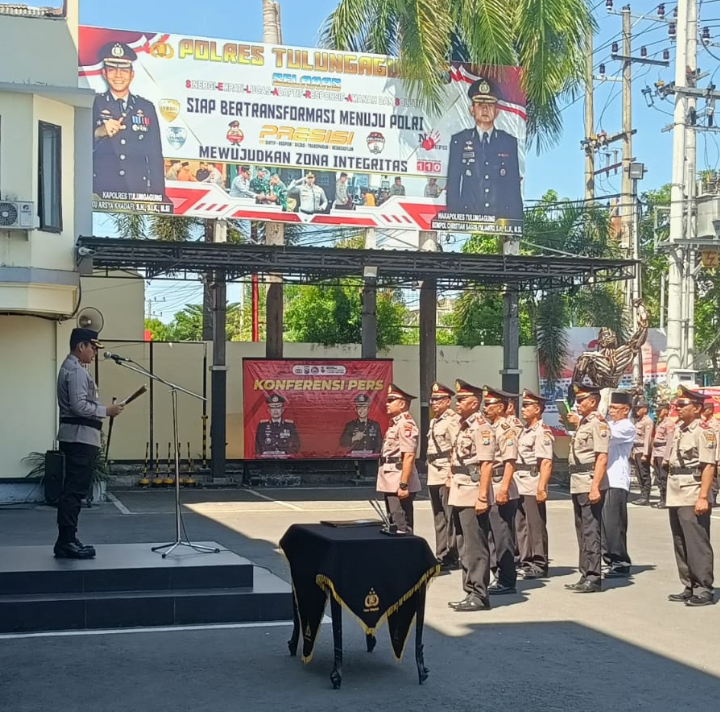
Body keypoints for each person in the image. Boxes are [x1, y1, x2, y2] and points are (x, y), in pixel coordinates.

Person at [55, 329, 124, 559]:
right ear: (81, 346)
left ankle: (69, 538)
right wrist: (106, 410)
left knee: (75, 491)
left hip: (81, 437)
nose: (94, 352)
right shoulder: (75, 371)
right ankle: (66, 541)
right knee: (73, 491)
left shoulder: (75, 369)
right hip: (79, 438)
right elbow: (79, 407)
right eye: (92, 347)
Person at [662, 385, 716, 606]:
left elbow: (708, 466)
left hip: (693, 491)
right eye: (677, 404)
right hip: (676, 489)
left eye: (683, 405)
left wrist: (703, 496)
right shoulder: (679, 430)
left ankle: (704, 588)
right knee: (680, 541)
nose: (678, 408)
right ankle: (689, 585)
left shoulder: (704, 431)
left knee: (696, 542)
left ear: (697, 408)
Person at [92, 42, 165, 199]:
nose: (118, 75)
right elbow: (76, 146)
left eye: (124, 70)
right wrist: (98, 132)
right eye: (112, 69)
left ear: (132, 74)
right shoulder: (93, 104)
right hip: (101, 191)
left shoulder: (146, 108)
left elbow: (155, 155)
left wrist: (159, 197)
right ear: (104, 73)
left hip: (137, 191)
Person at [447, 379, 495, 612]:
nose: (457, 403)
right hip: (459, 490)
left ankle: (479, 593)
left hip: (473, 491)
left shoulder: (481, 427)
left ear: (474, 403)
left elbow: (486, 464)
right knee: (462, 543)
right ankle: (469, 591)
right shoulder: (464, 425)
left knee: (475, 545)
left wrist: (483, 496)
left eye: (462, 399)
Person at [446, 77, 522, 220]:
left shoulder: (509, 142)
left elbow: (513, 186)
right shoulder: (460, 141)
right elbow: (453, 184)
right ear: (472, 110)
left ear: (497, 111)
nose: (485, 109)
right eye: (480, 104)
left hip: (500, 217)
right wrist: (454, 217)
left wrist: (516, 221)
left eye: (490, 104)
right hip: (469, 215)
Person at [565, 382, 609, 593]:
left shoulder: (598, 424)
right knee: (582, 530)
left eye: (581, 400)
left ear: (593, 402)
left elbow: (601, 457)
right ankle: (585, 573)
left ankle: (594, 576)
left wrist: (595, 486)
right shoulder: (584, 424)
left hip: (589, 480)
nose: (577, 404)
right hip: (578, 480)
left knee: (591, 531)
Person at [483, 386, 520, 595]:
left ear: (501, 407)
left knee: (502, 536)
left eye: (489, 404)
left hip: (501, 487)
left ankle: (507, 580)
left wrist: (504, 489)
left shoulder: (506, 430)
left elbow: (509, 462)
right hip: (491, 487)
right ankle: (497, 574)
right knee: (491, 536)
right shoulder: (490, 428)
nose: (485, 407)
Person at [515, 389, 554, 579]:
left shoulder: (542, 431)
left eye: (527, 406)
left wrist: (542, 487)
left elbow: (545, 461)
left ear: (537, 409)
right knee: (521, 524)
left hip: (532, 480)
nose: (523, 409)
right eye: (523, 405)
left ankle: (540, 563)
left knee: (535, 525)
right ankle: (526, 561)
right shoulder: (524, 429)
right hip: (518, 480)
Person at [426, 382, 461, 572]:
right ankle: (441, 553)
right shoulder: (435, 421)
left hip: (446, 471)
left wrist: (451, 474)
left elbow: (456, 448)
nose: (434, 403)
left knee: (450, 517)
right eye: (432, 399)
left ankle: (451, 554)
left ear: (448, 401)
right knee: (439, 516)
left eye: (438, 399)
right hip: (434, 472)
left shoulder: (452, 420)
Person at [377, 383, 420, 534]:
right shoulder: (395, 424)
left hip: (399, 479)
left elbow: (408, 455)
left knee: (402, 526)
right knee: (393, 523)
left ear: (402, 404)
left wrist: (403, 485)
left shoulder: (406, 424)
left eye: (391, 401)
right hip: (390, 478)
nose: (387, 404)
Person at [603, 391, 635, 577]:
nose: (611, 411)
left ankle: (620, 561)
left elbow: (606, 435)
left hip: (616, 479)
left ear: (626, 409)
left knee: (614, 523)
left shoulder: (626, 427)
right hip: (603, 479)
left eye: (615, 408)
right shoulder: (609, 425)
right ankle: (609, 560)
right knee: (604, 524)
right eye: (610, 408)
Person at [652, 401, 674, 509]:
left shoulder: (669, 423)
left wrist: (666, 457)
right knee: (658, 477)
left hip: (663, 452)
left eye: (659, 411)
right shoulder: (659, 423)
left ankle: (666, 499)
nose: (657, 413)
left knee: (664, 477)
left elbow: (670, 441)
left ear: (665, 410)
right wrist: (652, 456)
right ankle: (662, 498)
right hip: (657, 452)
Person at [631, 399, 654, 506]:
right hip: (636, 450)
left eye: (639, 408)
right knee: (638, 474)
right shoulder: (639, 421)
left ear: (644, 409)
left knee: (644, 474)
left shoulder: (647, 421)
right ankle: (642, 494)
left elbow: (648, 439)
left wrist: (645, 454)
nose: (636, 410)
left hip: (642, 451)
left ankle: (646, 496)